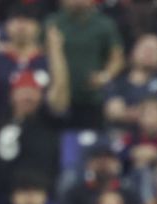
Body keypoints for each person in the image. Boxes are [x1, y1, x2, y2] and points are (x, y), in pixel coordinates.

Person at [0, 27, 71, 204]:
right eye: (23, 91)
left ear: (40, 96)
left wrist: (56, 51)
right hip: (2, 198)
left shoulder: (48, 119)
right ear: (12, 95)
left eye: (32, 92)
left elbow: (60, 93)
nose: (27, 97)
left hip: (44, 197)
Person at [45, 0, 124, 128]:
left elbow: (117, 58)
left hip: (92, 97)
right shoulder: (53, 22)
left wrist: (105, 76)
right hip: (58, 95)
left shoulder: (104, 24)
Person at [103, 33, 157, 129]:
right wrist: (151, 111)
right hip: (125, 136)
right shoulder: (117, 83)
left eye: (154, 50)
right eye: (145, 49)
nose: (149, 53)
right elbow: (114, 111)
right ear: (133, 52)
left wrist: (134, 112)